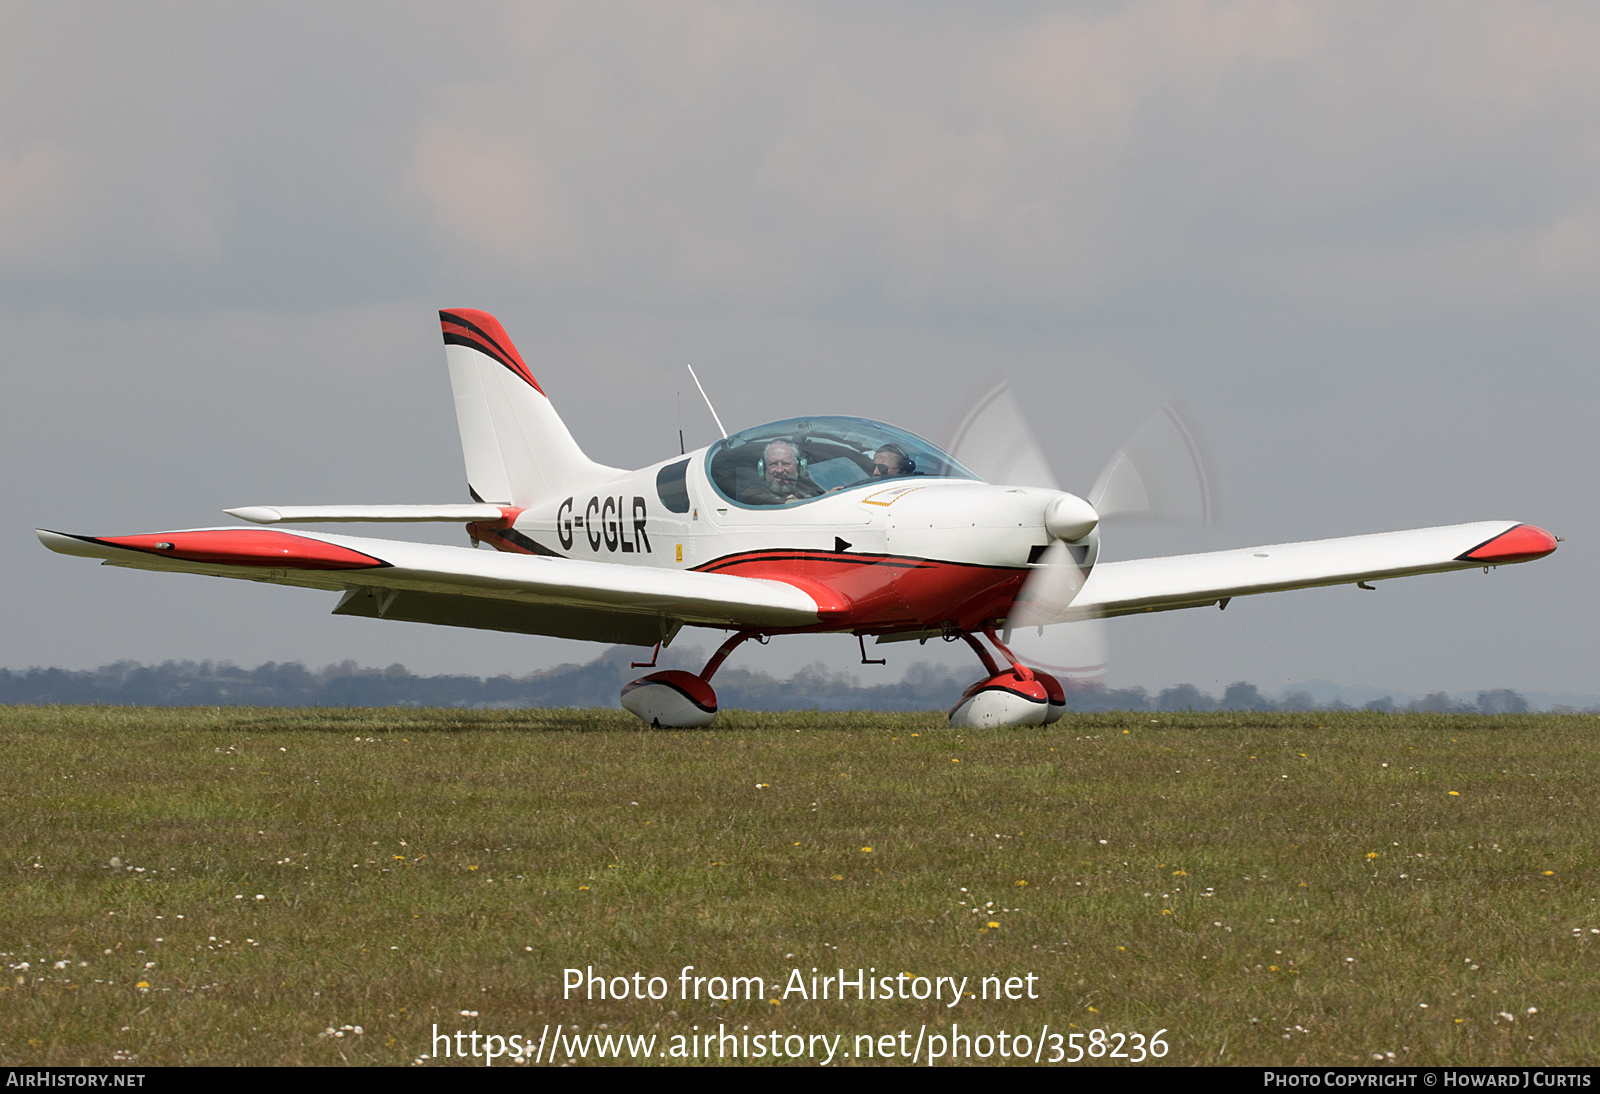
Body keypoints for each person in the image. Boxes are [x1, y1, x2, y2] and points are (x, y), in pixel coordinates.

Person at [741, 440, 823, 505]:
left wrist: (827, 495)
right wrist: (787, 502)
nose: (779, 470)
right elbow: (751, 497)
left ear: (799, 468)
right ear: (763, 469)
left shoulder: (806, 488)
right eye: (773, 464)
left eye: (786, 464)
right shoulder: (754, 493)